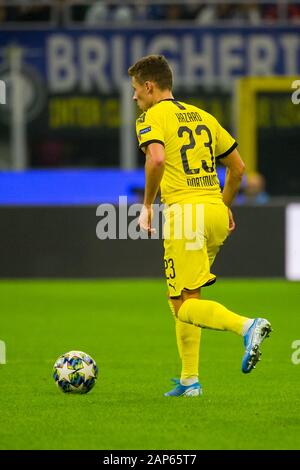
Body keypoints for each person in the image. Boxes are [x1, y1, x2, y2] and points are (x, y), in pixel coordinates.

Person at [128, 55, 272, 397]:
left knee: (183, 306)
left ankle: (247, 326)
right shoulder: (204, 116)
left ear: (149, 86)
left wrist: (147, 206)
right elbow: (238, 169)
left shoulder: (151, 117)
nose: (134, 97)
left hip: (185, 214)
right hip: (214, 211)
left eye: (136, 90)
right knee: (184, 296)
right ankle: (190, 381)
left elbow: (158, 158)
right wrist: (222, 207)